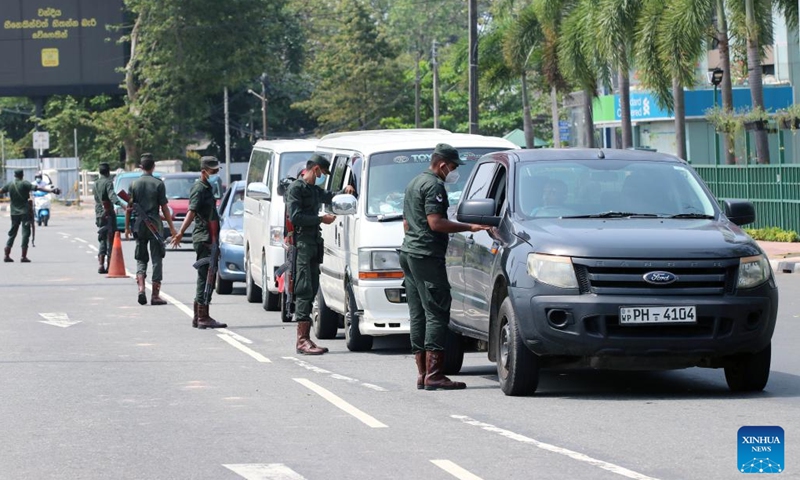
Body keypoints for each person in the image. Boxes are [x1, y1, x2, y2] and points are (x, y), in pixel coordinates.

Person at [400, 143, 490, 391]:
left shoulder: (414, 183)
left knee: (418, 313)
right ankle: (435, 374)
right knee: (437, 311)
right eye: (452, 167)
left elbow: (407, 223)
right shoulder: (434, 185)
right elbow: (436, 223)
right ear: (442, 165)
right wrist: (470, 227)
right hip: (426, 255)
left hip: (409, 253)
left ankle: (422, 373)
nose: (454, 171)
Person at [285, 154, 354, 354]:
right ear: (315, 169)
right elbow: (295, 216)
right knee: (304, 288)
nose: (322, 176)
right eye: (322, 172)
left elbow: (328, 196)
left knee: (313, 286)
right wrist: (320, 219)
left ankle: (307, 339)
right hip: (303, 244)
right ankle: (302, 340)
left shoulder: (313, 190)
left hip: (314, 243)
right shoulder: (296, 189)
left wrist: (344, 192)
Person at [170, 156, 227, 329]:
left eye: (216, 170)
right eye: (212, 171)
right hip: (204, 238)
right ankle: (202, 316)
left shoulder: (207, 187)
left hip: (209, 237)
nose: (215, 173)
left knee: (207, 275)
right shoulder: (199, 188)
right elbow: (191, 212)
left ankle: (199, 316)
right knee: (206, 276)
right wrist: (180, 232)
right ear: (203, 171)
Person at [125, 154, 177, 306]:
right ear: (153, 167)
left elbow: (129, 208)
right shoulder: (158, 184)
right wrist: (172, 228)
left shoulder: (134, 184)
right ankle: (155, 295)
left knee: (141, 258)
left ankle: (141, 289)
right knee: (156, 259)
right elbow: (165, 208)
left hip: (140, 225)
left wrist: (127, 227)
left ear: (141, 167)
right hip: (155, 225)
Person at [1, 169, 60, 262]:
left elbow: (1, 191)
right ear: (22, 175)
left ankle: (6, 255)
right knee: (25, 234)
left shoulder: (10, 184)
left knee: (12, 233)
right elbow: (38, 188)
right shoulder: (25, 183)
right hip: (24, 212)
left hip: (14, 213)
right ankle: (23, 257)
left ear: (14, 175)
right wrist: (51, 190)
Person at [94, 162, 123, 273]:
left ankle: (101, 264)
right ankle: (110, 264)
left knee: (102, 238)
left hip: (99, 213)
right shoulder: (108, 182)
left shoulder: (96, 183)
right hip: (108, 213)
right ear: (108, 171)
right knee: (110, 239)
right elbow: (112, 196)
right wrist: (121, 204)